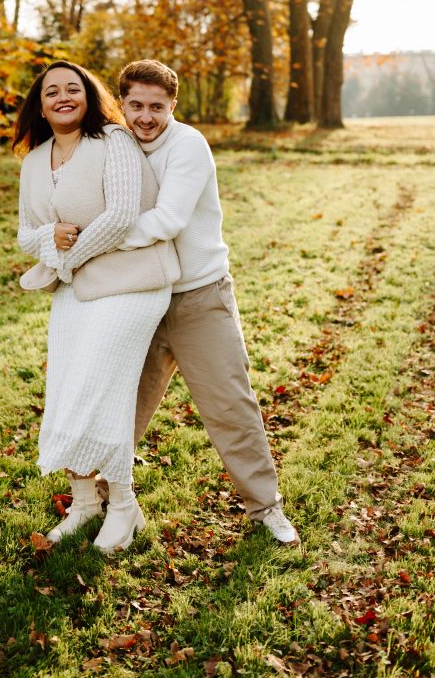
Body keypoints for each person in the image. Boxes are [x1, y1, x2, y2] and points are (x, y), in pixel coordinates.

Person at [115, 59, 299, 545]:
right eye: (136, 105)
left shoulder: (188, 145)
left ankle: (266, 508)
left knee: (230, 406)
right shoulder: (115, 147)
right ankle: (106, 499)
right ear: (123, 104)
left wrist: (100, 238)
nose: (146, 116)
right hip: (141, 300)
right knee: (120, 406)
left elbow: (169, 218)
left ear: (172, 105)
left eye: (157, 106)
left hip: (200, 297)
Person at [13, 60, 179, 552]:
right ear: (40, 107)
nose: (62, 97)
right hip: (76, 291)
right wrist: (49, 237)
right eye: (51, 92)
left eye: (72, 88)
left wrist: (67, 258)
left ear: (88, 95)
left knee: (102, 390)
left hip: (132, 284)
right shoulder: (33, 160)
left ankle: (124, 504)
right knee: (67, 390)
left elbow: (123, 215)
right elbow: (26, 233)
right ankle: (85, 502)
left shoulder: (114, 141)